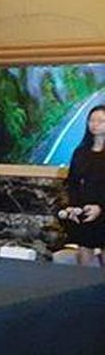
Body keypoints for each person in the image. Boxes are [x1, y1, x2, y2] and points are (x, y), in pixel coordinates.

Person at [55, 105, 105, 267]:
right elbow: (73, 182)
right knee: (85, 249)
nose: (95, 124)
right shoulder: (81, 152)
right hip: (85, 210)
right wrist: (73, 206)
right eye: (92, 120)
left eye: (101, 121)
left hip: (102, 209)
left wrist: (101, 207)